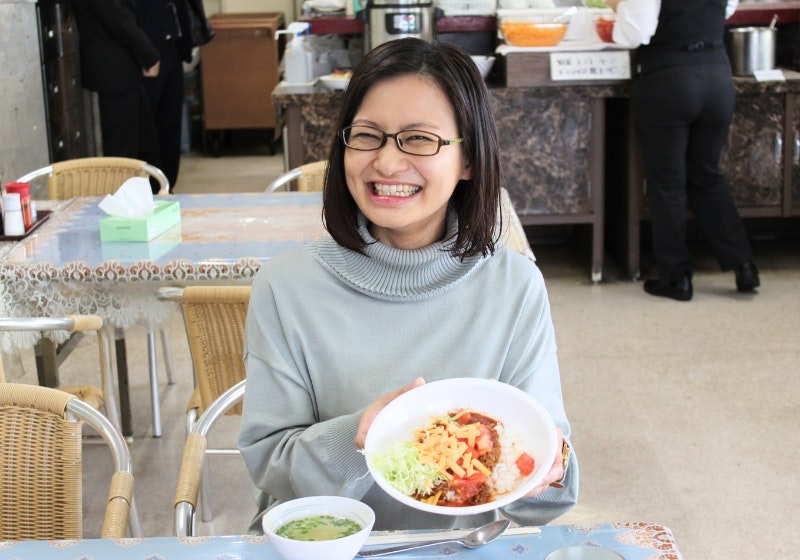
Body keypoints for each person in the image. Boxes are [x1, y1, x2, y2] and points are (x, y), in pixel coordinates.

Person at [238, 38, 578, 533]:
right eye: (368, 135)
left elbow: (544, 501)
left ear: (469, 160)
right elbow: (271, 467)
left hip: (454, 548)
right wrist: (360, 439)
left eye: (419, 139)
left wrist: (552, 466)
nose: (387, 163)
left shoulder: (513, 286)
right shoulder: (286, 287)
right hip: (324, 545)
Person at [607, 0, 760, 301]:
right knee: (707, 175)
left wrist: (619, 7)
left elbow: (635, 33)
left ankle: (677, 277)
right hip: (717, 77)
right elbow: (726, 10)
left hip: (668, 79)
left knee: (667, 184)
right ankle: (744, 265)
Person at [71, 0, 161, 172]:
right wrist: (149, 55)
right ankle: (127, 196)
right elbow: (119, 20)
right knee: (123, 150)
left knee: (145, 142)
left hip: (120, 68)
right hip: (114, 70)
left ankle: (152, 193)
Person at [137, 0, 202, 190]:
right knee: (150, 126)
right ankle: (152, 188)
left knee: (171, 122)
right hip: (148, 51)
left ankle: (168, 186)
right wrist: (144, 53)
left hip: (173, 45)